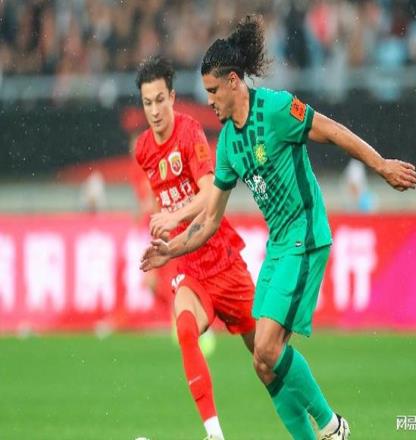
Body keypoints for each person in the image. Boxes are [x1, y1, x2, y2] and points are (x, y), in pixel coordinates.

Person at [141, 15, 416, 440]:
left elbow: (331, 130)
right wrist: (171, 249)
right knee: (262, 363)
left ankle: (332, 427)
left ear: (233, 82)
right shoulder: (229, 143)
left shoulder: (275, 109)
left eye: (213, 91)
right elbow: (210, 219)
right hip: (278, 245)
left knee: (269, 347)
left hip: (305, 235)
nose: (209, 100)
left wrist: (380, 165)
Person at [134, 55, 256, 440]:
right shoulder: (143, 149)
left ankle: (326, 422)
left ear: (172, 97)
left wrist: (173, 217)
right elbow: (163, 201)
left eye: (160, 100)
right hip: (190, 264)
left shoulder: (189, 133)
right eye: (147, 103)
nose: (155, 110)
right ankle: (214, 434)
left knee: (268, 358)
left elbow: (208, 194)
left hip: (221, 257)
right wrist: (165, 240)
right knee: (185, 328)